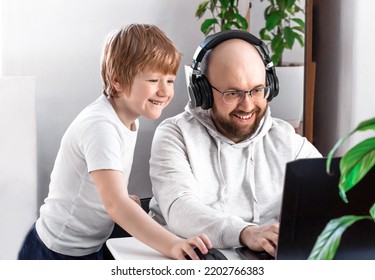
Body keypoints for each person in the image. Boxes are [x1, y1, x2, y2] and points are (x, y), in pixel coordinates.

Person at [18, 23, 212, 260]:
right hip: (57, 251)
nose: (164, 91)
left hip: (89, 244)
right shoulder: (101, 126)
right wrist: (173, 244)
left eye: (169, 81)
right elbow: (117, 206)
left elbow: (104, 184)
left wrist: (116, 196)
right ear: (118, 80)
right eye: (153, 80)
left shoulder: (128, 117)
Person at [148, 30, 322, 257]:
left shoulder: (286, 140)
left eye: (257, 90)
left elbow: (333, 193)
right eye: (232, 93)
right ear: (203, 93)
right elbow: (180, 208)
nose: (247, 105)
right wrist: (246, 232)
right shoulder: (174, 135)